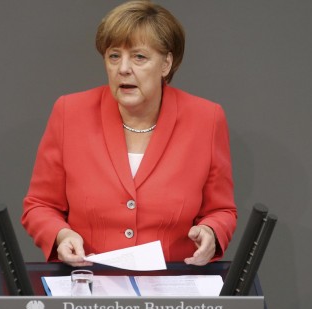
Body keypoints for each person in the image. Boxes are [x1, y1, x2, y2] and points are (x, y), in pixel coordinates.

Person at [22, 0, 236, 267]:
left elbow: (221, 210)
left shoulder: (206, 119)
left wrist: (211, 231)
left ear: (166, 64)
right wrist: (61, 235)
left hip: (171, 292)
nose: (123, 68)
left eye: (139, 57)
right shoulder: (70, 113)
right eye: (114, 56)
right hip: (90, 289)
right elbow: (40, 205)